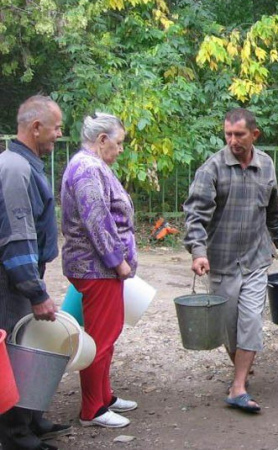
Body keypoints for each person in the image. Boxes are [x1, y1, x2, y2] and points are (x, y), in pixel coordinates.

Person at [183, 108, 278, 413]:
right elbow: (195, 215)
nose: (232, 140)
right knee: (228, 328)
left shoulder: (267, 166)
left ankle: (238, 386)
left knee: (251, 322)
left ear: (254, 135)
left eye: (239, 134)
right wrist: (198, 251)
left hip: (257, 259)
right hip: (222, 261)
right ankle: (242, 367)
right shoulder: (212, 168)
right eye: (228, 134)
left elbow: (273, 213)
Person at [0, 95, 70, 449]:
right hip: (9, 282)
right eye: (56, 127)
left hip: (21, 276)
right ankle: (15, 435)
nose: (59, 134)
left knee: (25, 344)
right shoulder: (14, 169)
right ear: (35, 127)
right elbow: (17, 237)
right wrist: (35, 292)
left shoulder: (25, 164)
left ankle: (29, 417)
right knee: (12, 349)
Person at [61, 112, 138, 428]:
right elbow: (97, 221)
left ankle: (104, 396)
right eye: (118, 143)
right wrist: (117, 262)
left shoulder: (92, 166)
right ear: (102, 140)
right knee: (100, 338)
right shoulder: (88, 169)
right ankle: (92, 410)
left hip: (99, 268)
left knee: (107, 333)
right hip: (97, 268)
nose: (120, 149)